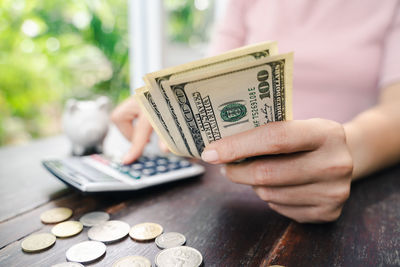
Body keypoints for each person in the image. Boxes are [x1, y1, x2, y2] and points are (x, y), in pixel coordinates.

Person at [111, 0, 400, 223]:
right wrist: (167, 105)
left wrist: (348, 149)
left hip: (363, 194)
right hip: (231, 187)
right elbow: (215, 71)